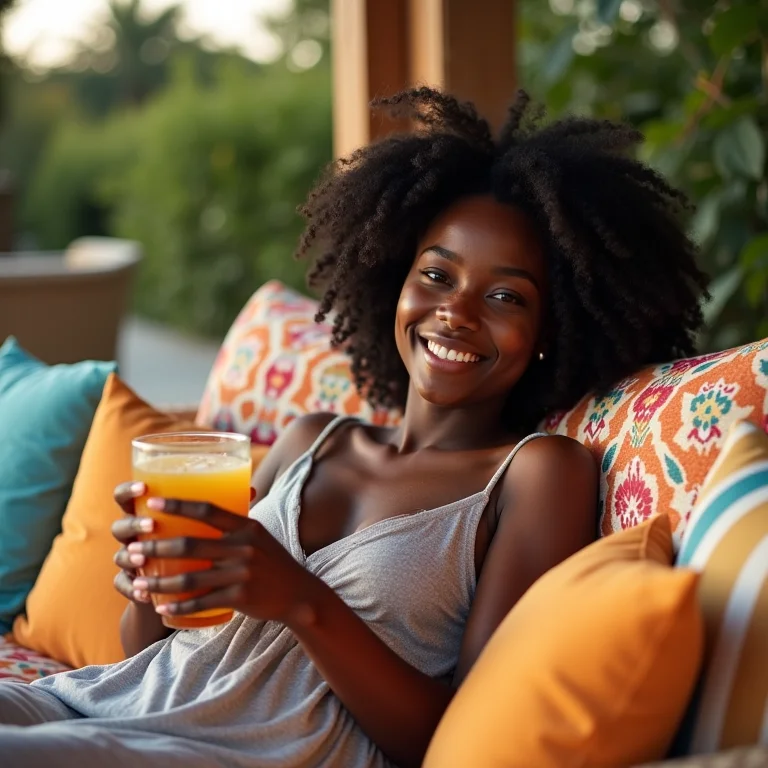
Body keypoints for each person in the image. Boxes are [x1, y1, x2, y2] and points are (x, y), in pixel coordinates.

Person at [0, 88, 708, 768]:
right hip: (96, 705)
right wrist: (147, 589)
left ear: (552, 329)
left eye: (504, 296)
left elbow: (452, 737)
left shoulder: (538, 473)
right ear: (394, 282)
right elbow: (151, 659)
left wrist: (302, 600)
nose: (455, 312)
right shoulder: (312, 437)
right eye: (436, 275)